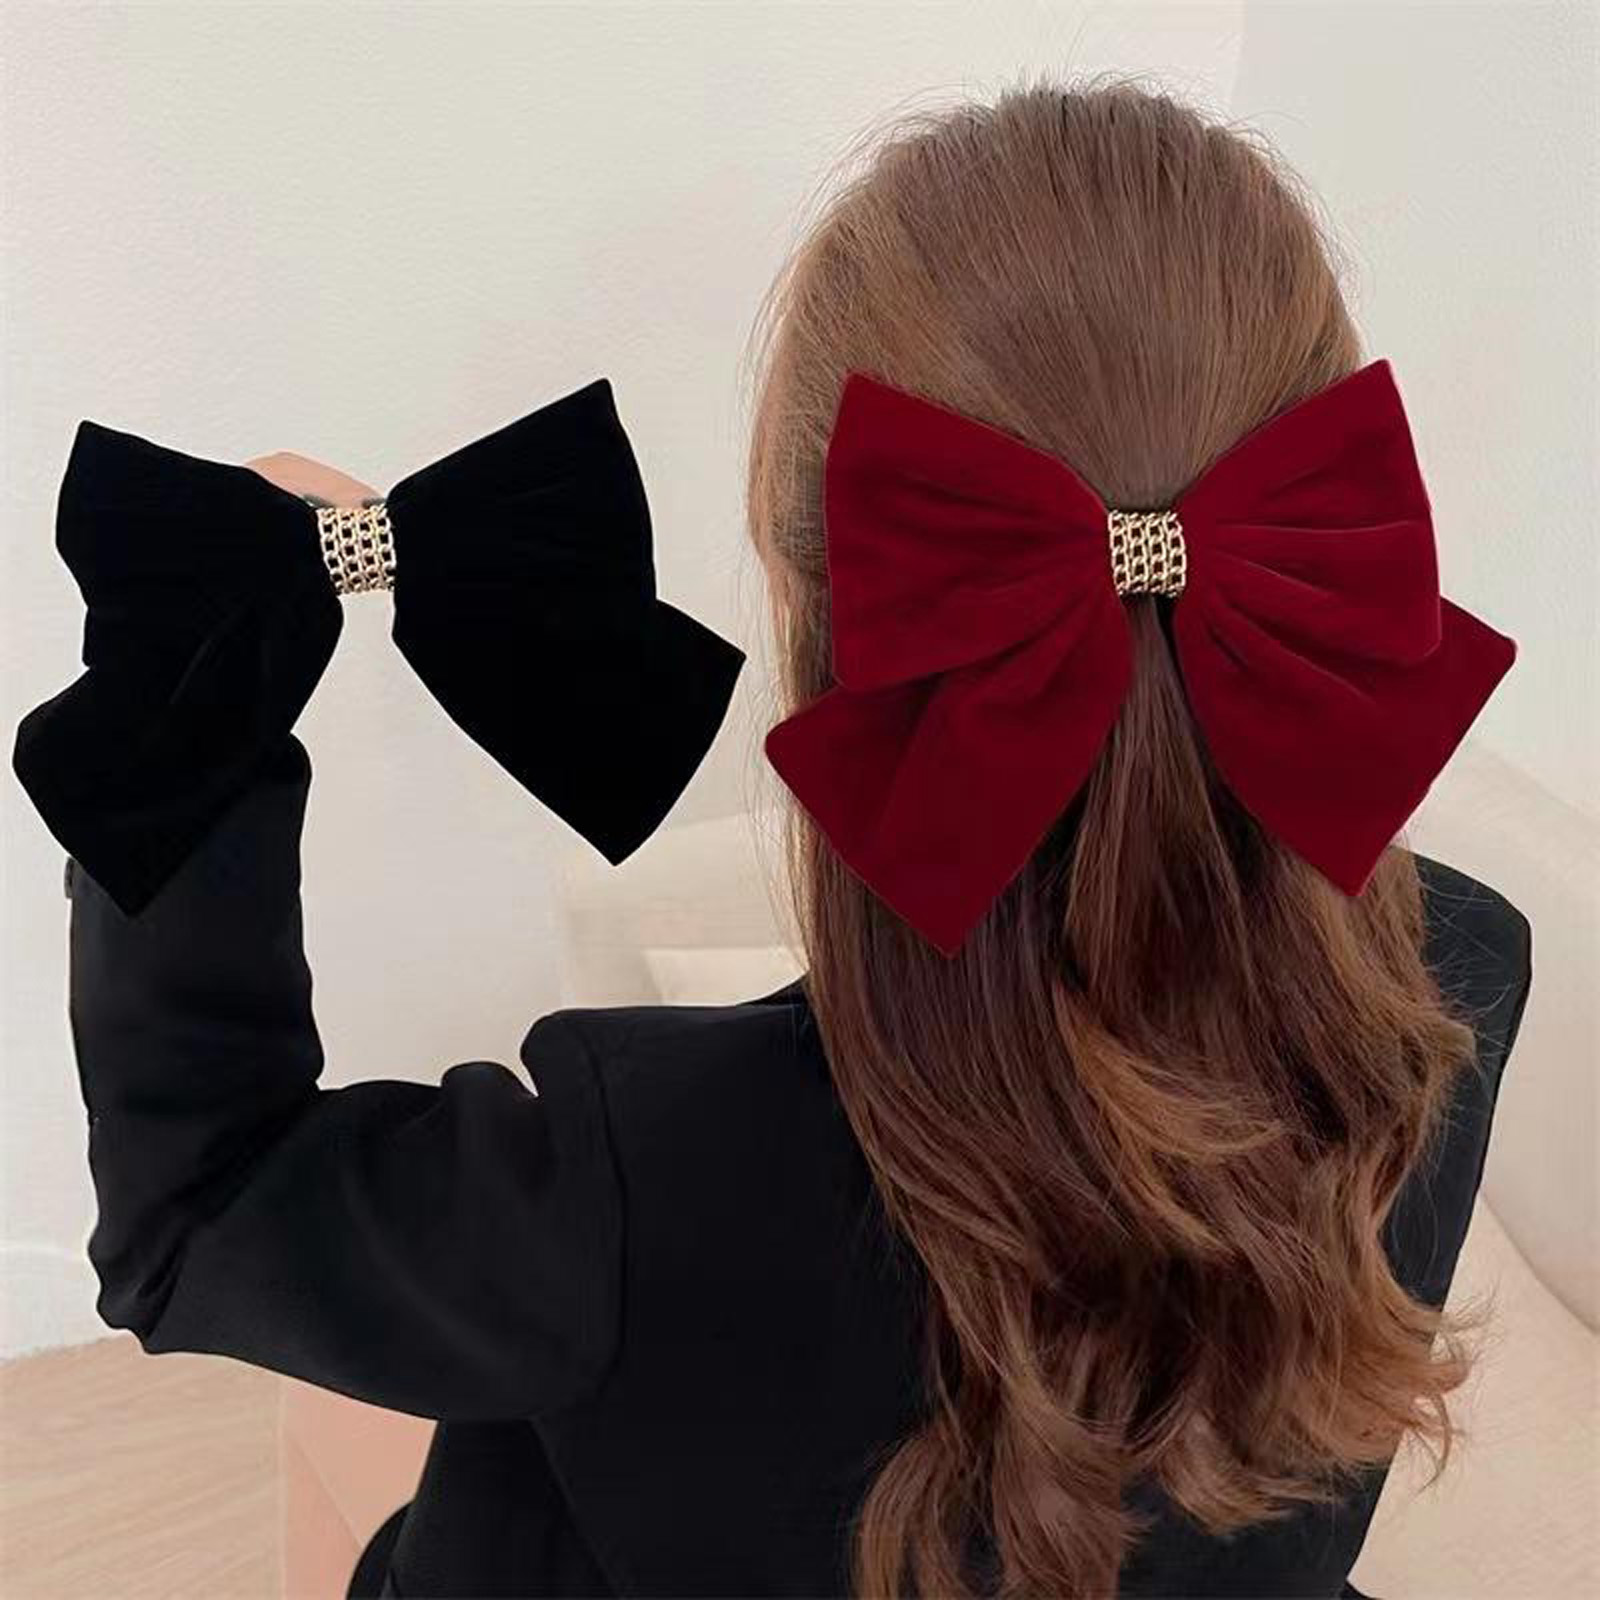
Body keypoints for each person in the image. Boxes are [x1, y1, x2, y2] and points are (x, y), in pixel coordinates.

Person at [45, 79, 1530, 1599]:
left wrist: (195, 686)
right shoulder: (1467, 978)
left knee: (346, 1457)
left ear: (821, 604)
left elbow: (191, 1218)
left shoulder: (629, 1183)